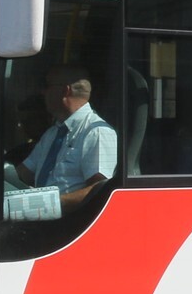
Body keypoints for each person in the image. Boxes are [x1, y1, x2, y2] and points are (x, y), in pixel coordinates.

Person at [8, 66, 117, 215]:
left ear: (65, 91)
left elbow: (100, 189)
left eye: (47, 86)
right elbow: (22, 174)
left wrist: (51, 203)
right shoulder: (53, 133)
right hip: (40, 220)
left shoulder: (97, 131)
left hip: (71, 224)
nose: (43, 92)